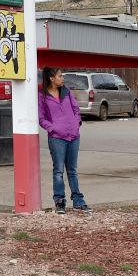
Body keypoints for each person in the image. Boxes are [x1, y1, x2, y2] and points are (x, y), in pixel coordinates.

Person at [38, 67, 91, 214]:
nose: (63, 78)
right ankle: (59, 202)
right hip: (57, 139)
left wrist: (76, 124)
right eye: (60, 76)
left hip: (73, 136)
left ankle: (78, 201)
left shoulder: (67, 92)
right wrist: (53, 128)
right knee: (58, 171)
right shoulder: (42, 96)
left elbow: (76, 110)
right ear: (51, 78)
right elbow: (41, 119)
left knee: (72, 170)